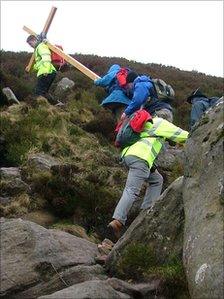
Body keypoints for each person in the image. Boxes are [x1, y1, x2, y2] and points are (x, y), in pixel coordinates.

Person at [107, 115, 189, 241]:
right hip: (140, 158)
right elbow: (183, 136)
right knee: (131, 190)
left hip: (129, 155)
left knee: (157, 179)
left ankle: (148, 210)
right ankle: (117, 221)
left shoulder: (144, 124)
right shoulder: (160, 123)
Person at [26, 35, 57, 102]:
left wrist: (46, 71)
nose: (30, 46)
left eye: (30, 43)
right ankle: (56, 104)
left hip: (46, 72)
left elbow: (46, 58)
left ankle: (42, 108)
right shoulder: (38, 48)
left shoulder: (41, 46)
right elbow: (39, 64)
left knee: (38, 92)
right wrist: (30, 68)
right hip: (49, 72)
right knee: (43, 92)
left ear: (34, 40)